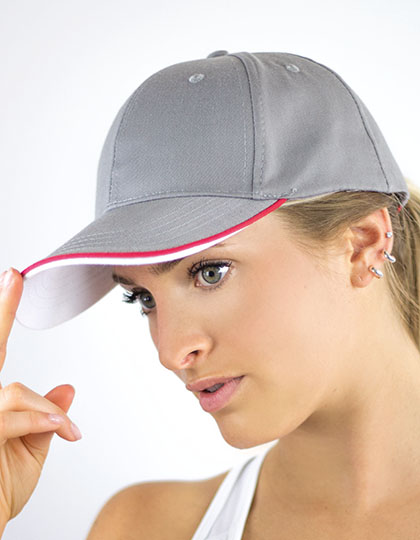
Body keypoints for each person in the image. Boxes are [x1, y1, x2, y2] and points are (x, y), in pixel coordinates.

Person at [1, 49, 420, 539]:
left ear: (362, 245)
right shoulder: (144, 530)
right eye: (143, 298)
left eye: (210, 272)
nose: (171, 352)